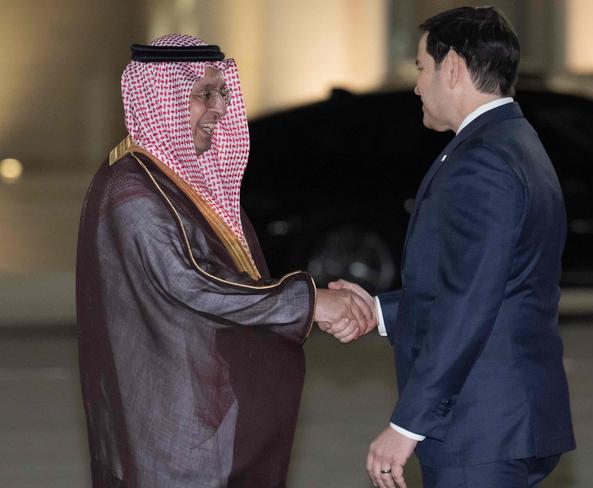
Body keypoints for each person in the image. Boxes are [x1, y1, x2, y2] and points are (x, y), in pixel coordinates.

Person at [76, 34, 375, 488]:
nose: (218, 108)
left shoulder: (175, 181)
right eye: (202, 94)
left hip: (203, 423)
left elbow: (239, 278)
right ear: (163, 96)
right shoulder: (133, 192)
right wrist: (309, 300)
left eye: (222, 93)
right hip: (173, 439)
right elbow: (195, 283)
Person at [332, 6, 575, 488]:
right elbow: (487, 284)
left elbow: (470, 301)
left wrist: (407, 425)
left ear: (455, 69)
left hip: (480, 429)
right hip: (503, 422)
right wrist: (379, 311)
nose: (418, 84)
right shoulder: (514, 140)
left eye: (423, 67)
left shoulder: (482, 159)